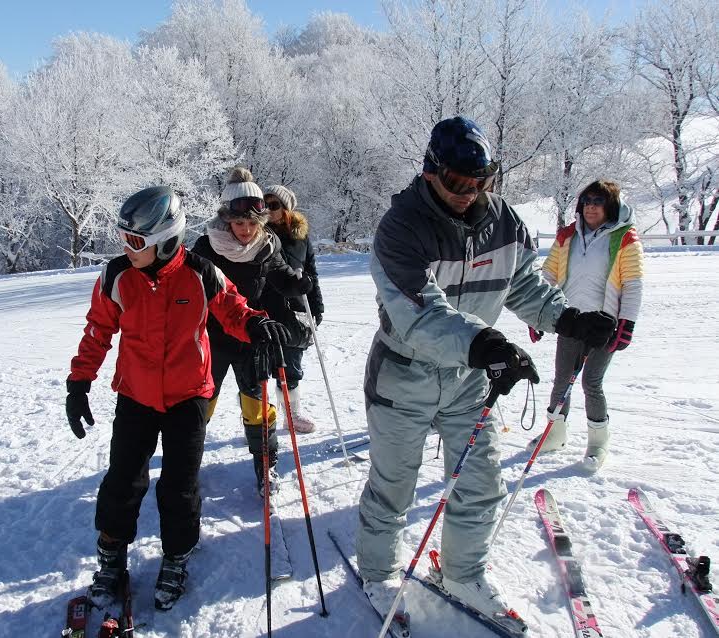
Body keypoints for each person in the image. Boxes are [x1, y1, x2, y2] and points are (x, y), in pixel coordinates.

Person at [356, 116, 617, 622]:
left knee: (481, 481)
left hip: (470, 379)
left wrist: (569, 318)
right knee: (394, 485)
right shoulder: (401, 228)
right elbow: (417, 312)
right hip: (403, 376)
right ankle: (379, 572)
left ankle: (463, 571)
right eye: (457, 182)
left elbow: (522, 286)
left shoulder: (505, 221)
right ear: (432, 172)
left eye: (483, 180)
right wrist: (486, 343)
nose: (470, 192)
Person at [65, 185, 289, 611]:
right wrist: (79, 382)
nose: (126, 249)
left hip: (188, 397)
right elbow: (98, 330)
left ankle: (176, 556)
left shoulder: (201, 273)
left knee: (180, 487)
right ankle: (111, 558)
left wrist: (257, 325)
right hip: (136, 396)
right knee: (122, 482)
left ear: (165, 240)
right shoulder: (117, 276)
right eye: (123, 239)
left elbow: (233, 308)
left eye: (134, 242)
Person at [192, 168, 312, 496]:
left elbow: (280, 273)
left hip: (253, 337)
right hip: (212, 340)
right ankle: (188, 463)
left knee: (256, 407)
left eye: (252, 223)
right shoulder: (206, 247)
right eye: (239, 223)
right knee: (202, 404)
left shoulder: (267, 245)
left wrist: (295, 283)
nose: (245, 231)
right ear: (226, 220)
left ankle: (265, 467)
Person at [527, 180, 643, 471]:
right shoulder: (568, 235)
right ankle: (554, 434)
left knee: (592, 382)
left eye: (599, 201)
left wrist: (626, 324)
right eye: (587, 201)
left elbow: (633, 285)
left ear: (610, 206)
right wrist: (538, 314)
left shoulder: (624, 238)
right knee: (562, 377)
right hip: (572, 321)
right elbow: (548, 275)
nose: (591, 206)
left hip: (605, 325)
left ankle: (597, 443)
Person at [261, 184, 325, 433]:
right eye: (264, 204)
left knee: (292, 363)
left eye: (274, 204)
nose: (268, 209)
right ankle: (260, 417)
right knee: (261, 366)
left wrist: (317, 307)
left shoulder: (300, 238)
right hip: (265, 306)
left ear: (286, 208)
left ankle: (292, 414)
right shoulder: (257, 234)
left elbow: (312, 273)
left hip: (295, 309)